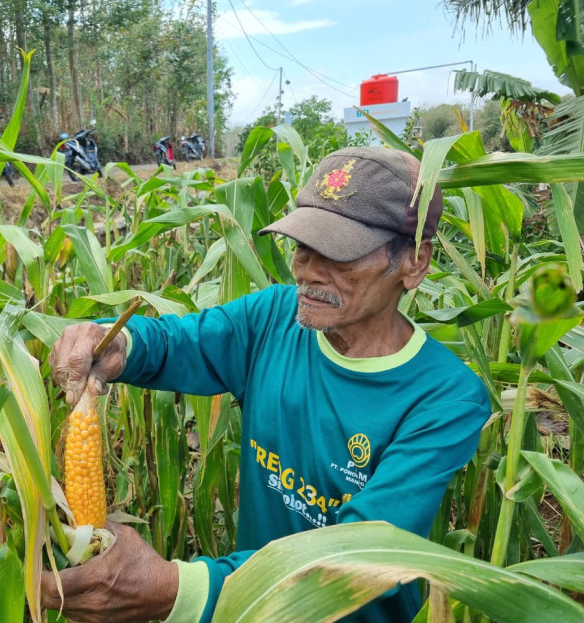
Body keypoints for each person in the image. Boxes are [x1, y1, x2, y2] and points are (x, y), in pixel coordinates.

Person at [41, 146, 491, 622]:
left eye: (339, 253)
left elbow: (353, 558)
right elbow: (178, 342)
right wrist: (119, 342)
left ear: (414, 263)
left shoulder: (445, 398)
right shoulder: (274, 317)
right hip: (247, 607)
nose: (308, 271)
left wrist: (177, 589)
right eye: (302, 246)